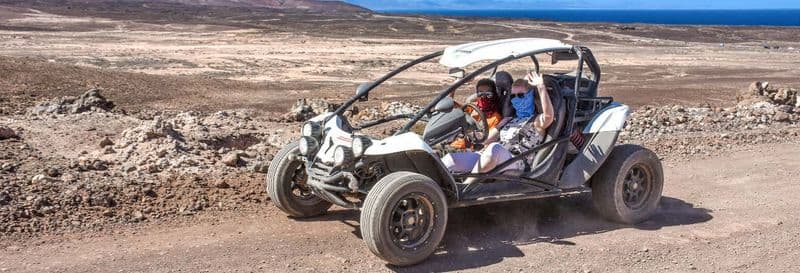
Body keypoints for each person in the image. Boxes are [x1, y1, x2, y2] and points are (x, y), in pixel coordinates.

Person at [442, 72, 554, 183]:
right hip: (494, 156)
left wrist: (541, 87)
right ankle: (437, 188)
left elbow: (549, 116)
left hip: (517, 161)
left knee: (494, 148)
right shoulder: (510, 119)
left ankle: (465, 186)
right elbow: (485, 139)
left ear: (531, 96)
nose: (516, 99)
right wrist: (470, 134)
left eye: (520, 95)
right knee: (450, 159)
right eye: (513, 96)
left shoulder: (536, 121)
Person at [449, 78, 504, 150]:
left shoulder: (495, 117)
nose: (484, 97)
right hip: (452, 142)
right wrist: (454, 87)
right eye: (480, 94)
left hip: (465, 150)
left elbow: (485, 141)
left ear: (494, 94)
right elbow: (449, 104)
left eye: (488, 94)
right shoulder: (473, 107)